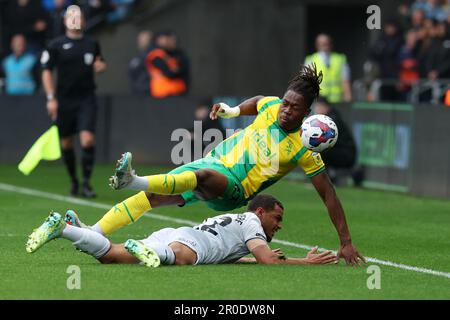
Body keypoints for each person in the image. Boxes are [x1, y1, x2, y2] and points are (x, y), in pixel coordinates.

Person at [86, 64, 363, 266]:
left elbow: (328, 194)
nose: (285, 109)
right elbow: (256, 102)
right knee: (150, 198)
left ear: (307, 113)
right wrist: (232, 111)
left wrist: (346, 242)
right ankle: (94, 232)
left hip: (234, 189)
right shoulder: (272, 106)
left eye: (293, 108)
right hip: (215, 161)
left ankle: (132, 179)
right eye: (285, 103)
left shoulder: (304, 148)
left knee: (201, 176)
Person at [26, 194, 338, 267]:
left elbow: (251, 257)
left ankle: (67, 229)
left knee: (108, 255)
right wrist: (305, 261)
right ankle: (153, 253)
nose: (279, 225)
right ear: (260, 211)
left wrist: (260, 256)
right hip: (188, 244)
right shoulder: (253, 224)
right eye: (277, 217)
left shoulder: (242, 224)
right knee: (180, 259)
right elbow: (268, 262)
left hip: (176, 234)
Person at [41, 5, 107, 198]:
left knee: (87, 139)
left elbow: (101, 62)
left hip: (86, 98)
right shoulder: (55, 45)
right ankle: (74, 180)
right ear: (65, 21)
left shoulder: (92, 43)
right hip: (64, 101)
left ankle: (86, 183)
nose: (75, 19)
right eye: (71, 15)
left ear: (84, 21)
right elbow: (46, 71)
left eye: (78, 15)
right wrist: (51, 98)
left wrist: (100, 66)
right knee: (67, 143)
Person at [313, 97, 364, 187]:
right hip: (341, 152)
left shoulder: (332, 121)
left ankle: (327, 180)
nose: (316, 110)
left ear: (325, 107)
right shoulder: (329, 118)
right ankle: (326, 179)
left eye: (318, 107)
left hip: (346, 155)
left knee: (318, 150)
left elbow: (328, 140)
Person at [305, 34, 352, 103]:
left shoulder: (339, 59)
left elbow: (345, 81)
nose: (325, 46)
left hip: (336, 101)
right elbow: (306, 82)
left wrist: (348, 97)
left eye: (326, 44)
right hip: (318, 102)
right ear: (317, 45)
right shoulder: (311, 60)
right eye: (322, 44)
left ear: (331, 44)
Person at [145, 30, 188, 98]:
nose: (170, 42)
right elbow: (169, 73)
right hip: (163, 94)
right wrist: (177, 70)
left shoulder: (173, 54)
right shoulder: (156, 55)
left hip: (176, 92)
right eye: (167, 39)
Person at [128, 30, 152, 95]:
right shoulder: (138, 58)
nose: (139, 41)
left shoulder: (155, 55)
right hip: (139, 93)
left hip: (151, 93)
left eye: (142, 39)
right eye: (139, 39)